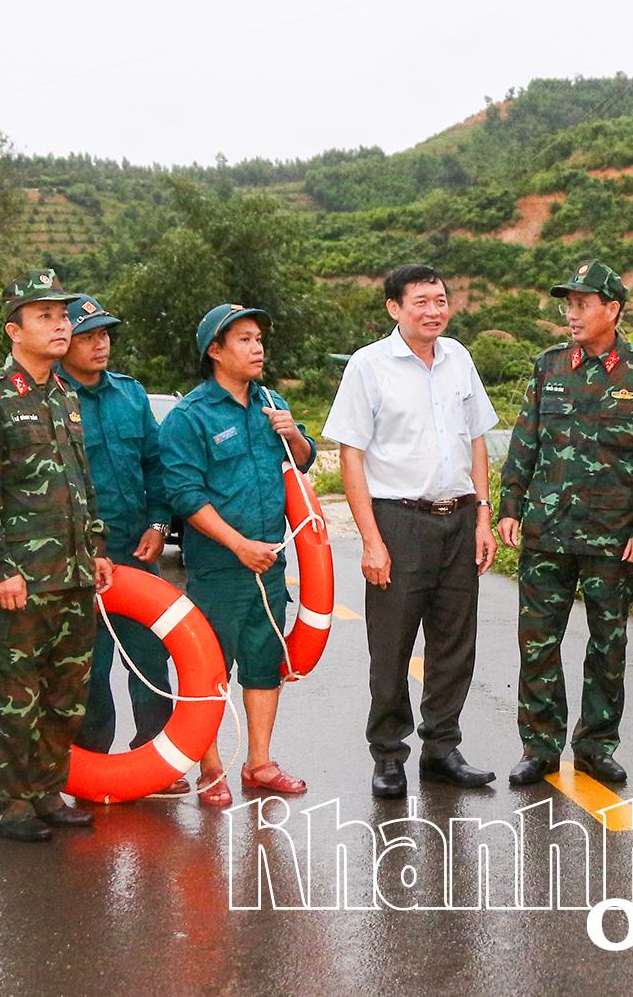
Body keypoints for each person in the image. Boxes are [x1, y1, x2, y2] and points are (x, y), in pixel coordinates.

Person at [323, 264, 500, 799]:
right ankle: (388, 753)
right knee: (392, 645)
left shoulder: (458, 358)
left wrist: (483, 515)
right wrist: (372, 541)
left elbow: (476, 440)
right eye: (420, 301)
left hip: (458, 518)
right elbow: (351, 456)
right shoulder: (369, 366)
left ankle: (442, 748)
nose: (433, 311)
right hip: (398, 521)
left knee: (454, 644)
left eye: (440, 300)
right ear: (394, 308)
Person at [0, 270, 115, 841]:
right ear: (14, 330)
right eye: (45, 316)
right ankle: (9, 807)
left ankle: (47, 792)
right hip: (19, 581)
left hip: (71, 576)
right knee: (13, 700)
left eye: (63, 315)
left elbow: (80, 480)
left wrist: (96, 546)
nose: (61, 325)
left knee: (65, 698)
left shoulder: (64, 395)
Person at [498, 261, 633, 787]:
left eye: (582, 304)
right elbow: (524, 440)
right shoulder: (549, 366)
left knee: (607, 646)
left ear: (612, 309)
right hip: (547, 531)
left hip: (612, 536)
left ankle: (596, 746)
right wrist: (510, 505)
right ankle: (540, 747)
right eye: (568, 304)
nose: (571, 314)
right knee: (537, 643)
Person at [159, 303, 318, 804]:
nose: (257, 348)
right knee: (209, 669)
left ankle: (260, 763)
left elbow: (303, 462)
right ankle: (210, 769)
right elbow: (184, 495)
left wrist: (294, 434)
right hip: (220, 567)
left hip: (270, 564)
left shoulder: (270, 402)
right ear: (215, 350)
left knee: (264, 663)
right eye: (245, 340)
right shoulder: (189, 417)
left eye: (259, 339)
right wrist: (238, 544)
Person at [60, 293, 181, 796]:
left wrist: (159, 524)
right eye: (88, 336)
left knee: (150, 658)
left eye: (105, 334)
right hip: (79, 558)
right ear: (63, 342)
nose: (101, 343)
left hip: (136, 553)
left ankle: (154, 760)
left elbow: (155, 464)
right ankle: (94, 768)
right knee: (88, 667)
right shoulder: (50, 398)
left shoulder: (130, 395)